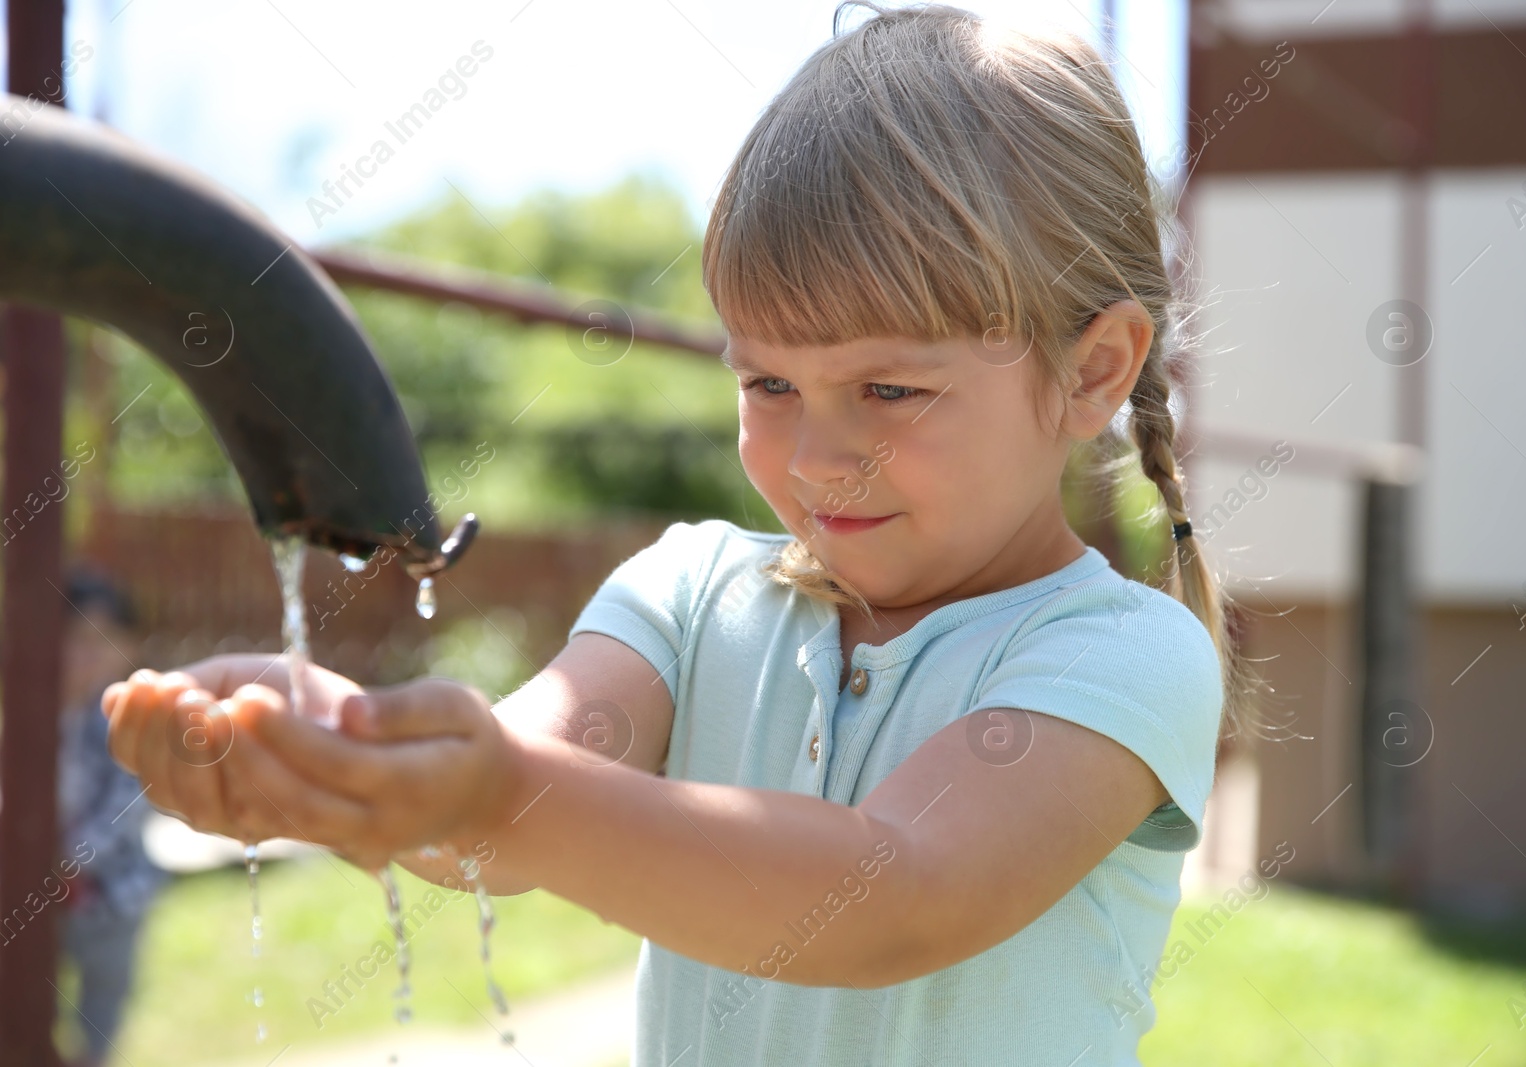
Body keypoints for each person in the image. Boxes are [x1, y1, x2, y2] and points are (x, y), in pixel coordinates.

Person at [101, 4, 1258, 1064]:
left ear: (1093, 370)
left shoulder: (1121, 653)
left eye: (890, 392)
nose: (812, 456)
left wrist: (495, 792)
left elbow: (895, 894)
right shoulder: (694, 594)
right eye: (767, 383)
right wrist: (340, 746)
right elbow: (499, 817)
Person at [58, 568, 167, 1067]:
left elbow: (124, 806)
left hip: (114, 892)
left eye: (104, 643)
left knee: (103, 1001)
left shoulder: (127, 724)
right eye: (76, 641)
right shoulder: (32, 715)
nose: (88, 657)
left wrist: (68, 862)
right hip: (41, 896)